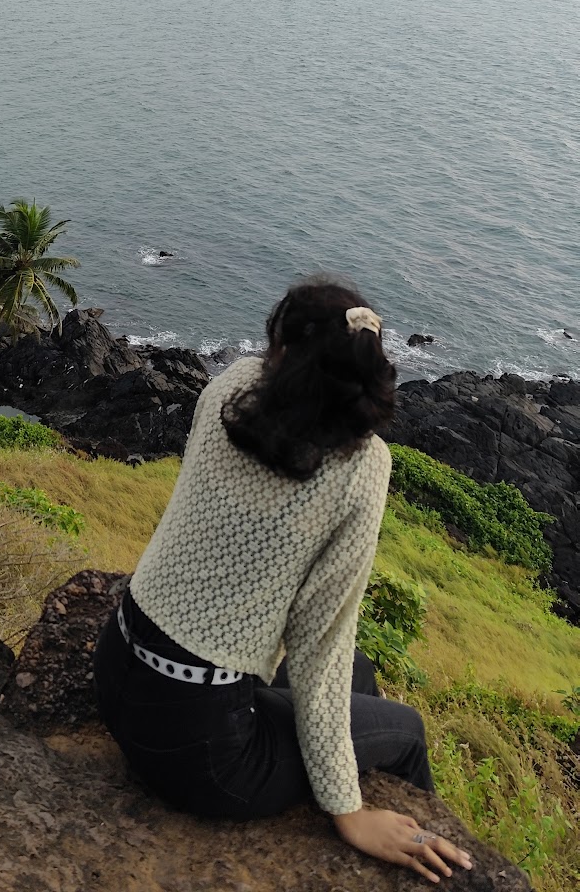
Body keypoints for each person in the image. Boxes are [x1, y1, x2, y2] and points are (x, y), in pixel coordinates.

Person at [93, 279, 473, 885]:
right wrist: (346, 808)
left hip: (117, 665)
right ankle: (430, 861)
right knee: (405, 731)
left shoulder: (229, 386)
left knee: (362, 674)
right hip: (200, 751)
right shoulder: (363, 466)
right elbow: (318, 643)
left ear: (281, 350)